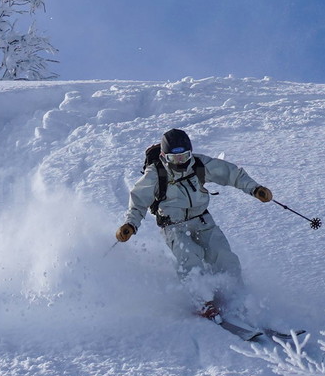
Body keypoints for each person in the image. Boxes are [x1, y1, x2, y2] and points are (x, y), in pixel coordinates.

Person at [116, 128, 273, 316]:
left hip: (202, 219)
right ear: (164, 156)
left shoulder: (199, 164)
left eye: (184, 156)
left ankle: (234, 293)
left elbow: (232, 174)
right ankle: (202, 300)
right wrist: (130, 225)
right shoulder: (155, 174)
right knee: (190, 256)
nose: (181, 162)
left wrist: (255, 189)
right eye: (175, 159)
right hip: (172, 225)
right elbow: (138, 202)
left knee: (222, 254)